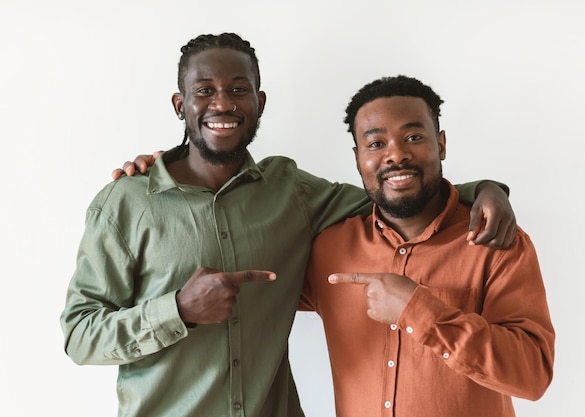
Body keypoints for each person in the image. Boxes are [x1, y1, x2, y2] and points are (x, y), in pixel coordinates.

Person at [60, 33, 516, 417]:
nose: (223, 103)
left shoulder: (292, 191)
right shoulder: (126, 202)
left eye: (239, 90)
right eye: (204, 91)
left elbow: (393, 192)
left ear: (258, 102)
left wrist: (486, 189)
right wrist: (177, 310)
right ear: (181, 105)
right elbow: (80, 336)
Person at [300, 75, 555, 417]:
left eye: (413, 137)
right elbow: (258, 309)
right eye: (376, 144)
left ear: (442, 144)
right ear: (357, 156)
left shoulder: (495, 241)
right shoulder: (328, 250)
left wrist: (418, 310)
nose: (396, 155)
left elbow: (532, 375)